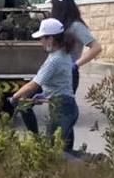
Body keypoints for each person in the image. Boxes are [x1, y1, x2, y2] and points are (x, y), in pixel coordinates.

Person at [11, 18, 78, 153]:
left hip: (62, 109)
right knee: (63, 150)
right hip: (66, 106)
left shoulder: (54, 60)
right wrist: (44, 95)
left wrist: (15, 97)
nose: (40, 41)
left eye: (42, 38)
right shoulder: (63, 54)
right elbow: (59, 83)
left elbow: (33, 85)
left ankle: (88, 167)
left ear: (51, 39)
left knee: (54, 152)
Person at [45, 0, 102, 92]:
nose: (52, 8)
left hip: (68, 74)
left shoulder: (76, 26)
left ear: (59, 6)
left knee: (63, 106)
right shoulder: (59, 25)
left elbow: (96, 47)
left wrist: (75, 65)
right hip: (55, 72)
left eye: (53, 5)